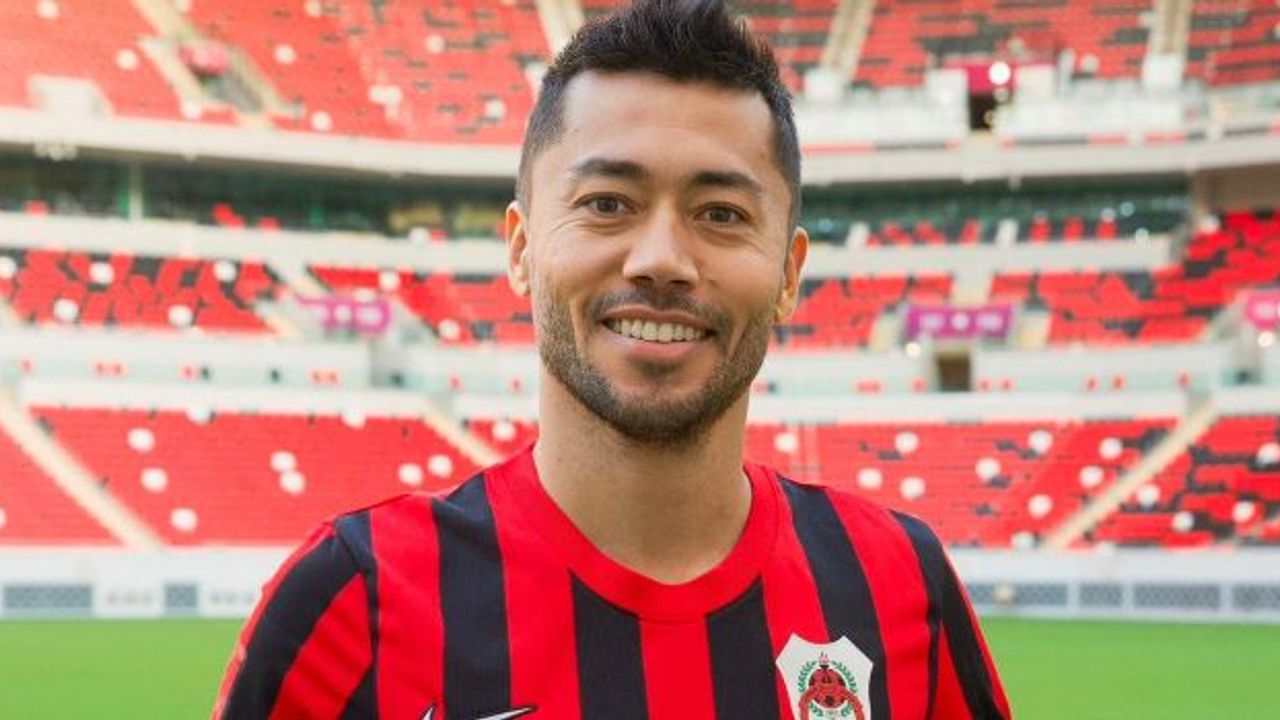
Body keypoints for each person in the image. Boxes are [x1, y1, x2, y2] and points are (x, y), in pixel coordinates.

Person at [213, 1, 1011, 718]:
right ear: (521, 249)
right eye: (607, 204)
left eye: (721, 213)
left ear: (788, 274)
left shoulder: (902, 585)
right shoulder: (352, 603)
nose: (661, 259)